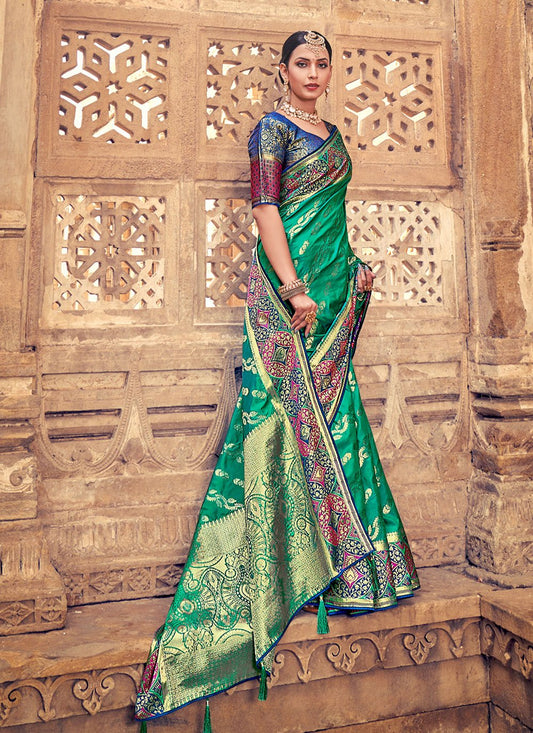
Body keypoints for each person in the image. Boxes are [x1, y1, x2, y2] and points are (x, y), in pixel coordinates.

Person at [135, 30, 419, 731]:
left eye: (322, 64)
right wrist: (293, 288)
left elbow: (329, 214)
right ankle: (276, 575)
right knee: (279, 427)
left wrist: (353, 269)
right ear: (284, 70)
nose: (313, 73)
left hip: (334, 292)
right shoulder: (272, 130)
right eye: (302, 63)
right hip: (291, 299)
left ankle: (348, 573)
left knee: (336, 417)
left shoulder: (331, 134)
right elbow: (266, 210)